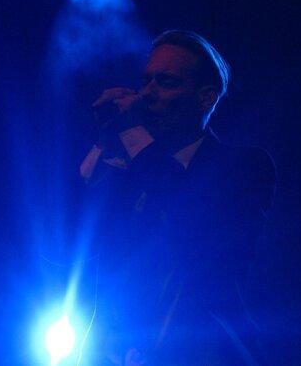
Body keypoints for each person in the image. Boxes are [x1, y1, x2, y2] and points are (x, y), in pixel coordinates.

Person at [80, 30, 276, 365]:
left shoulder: (243, 166)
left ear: (205, 98)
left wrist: (133, 133)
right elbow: (64, 247)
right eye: (146, 81)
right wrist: (104, 139)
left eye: (166, 82)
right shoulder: (129, 167)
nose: (147, 94)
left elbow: (190, 226)